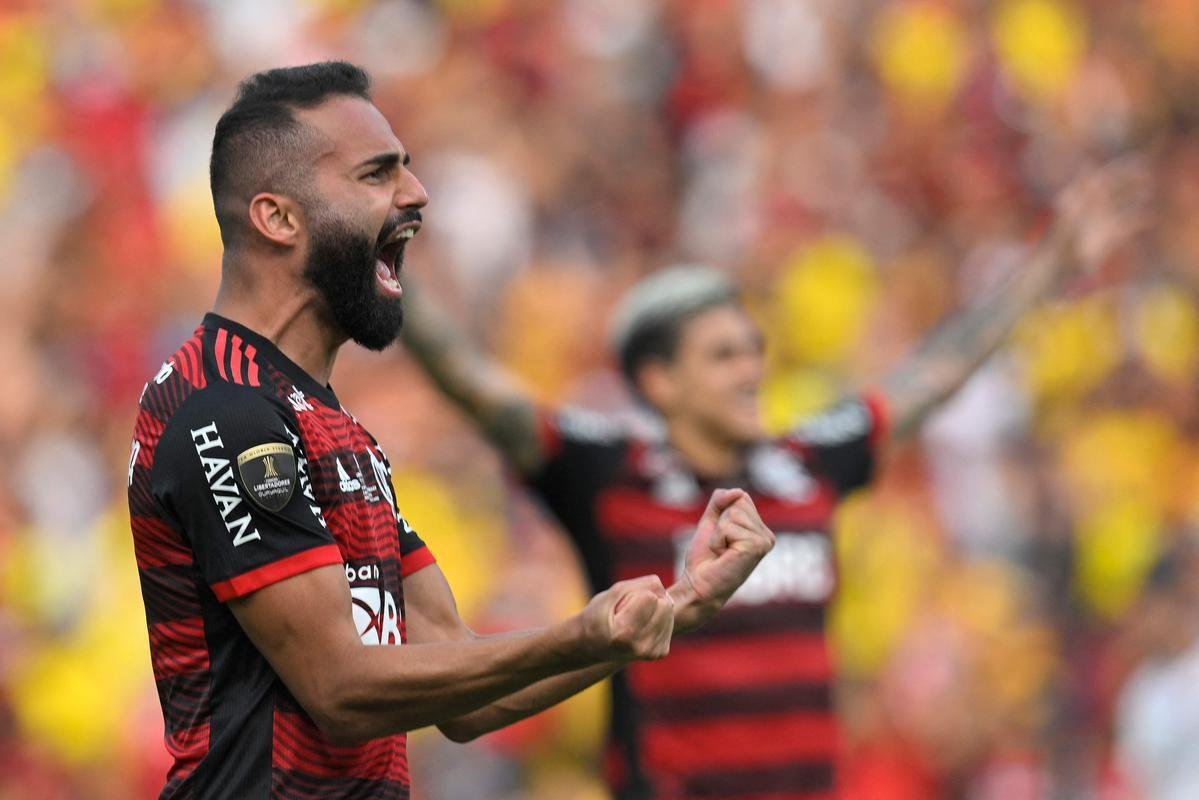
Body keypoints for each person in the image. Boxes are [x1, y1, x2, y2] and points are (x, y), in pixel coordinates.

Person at [126, 61, 775, 800]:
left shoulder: (330, 425)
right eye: (376, 175)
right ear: (278, 218)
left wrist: (674, 607)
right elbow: (338, 687)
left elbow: (462, 682)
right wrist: (585, 633)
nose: (415, 194)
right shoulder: (225, 407)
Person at [400, 160, 1148, 798]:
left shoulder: (806, 462)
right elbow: (474, 386)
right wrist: (381, 268)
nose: (752, 370)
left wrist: (1049, 263)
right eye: (723, 355)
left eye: (753, 350)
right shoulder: (605, 473)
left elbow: (938, 371)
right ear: (658, 380)